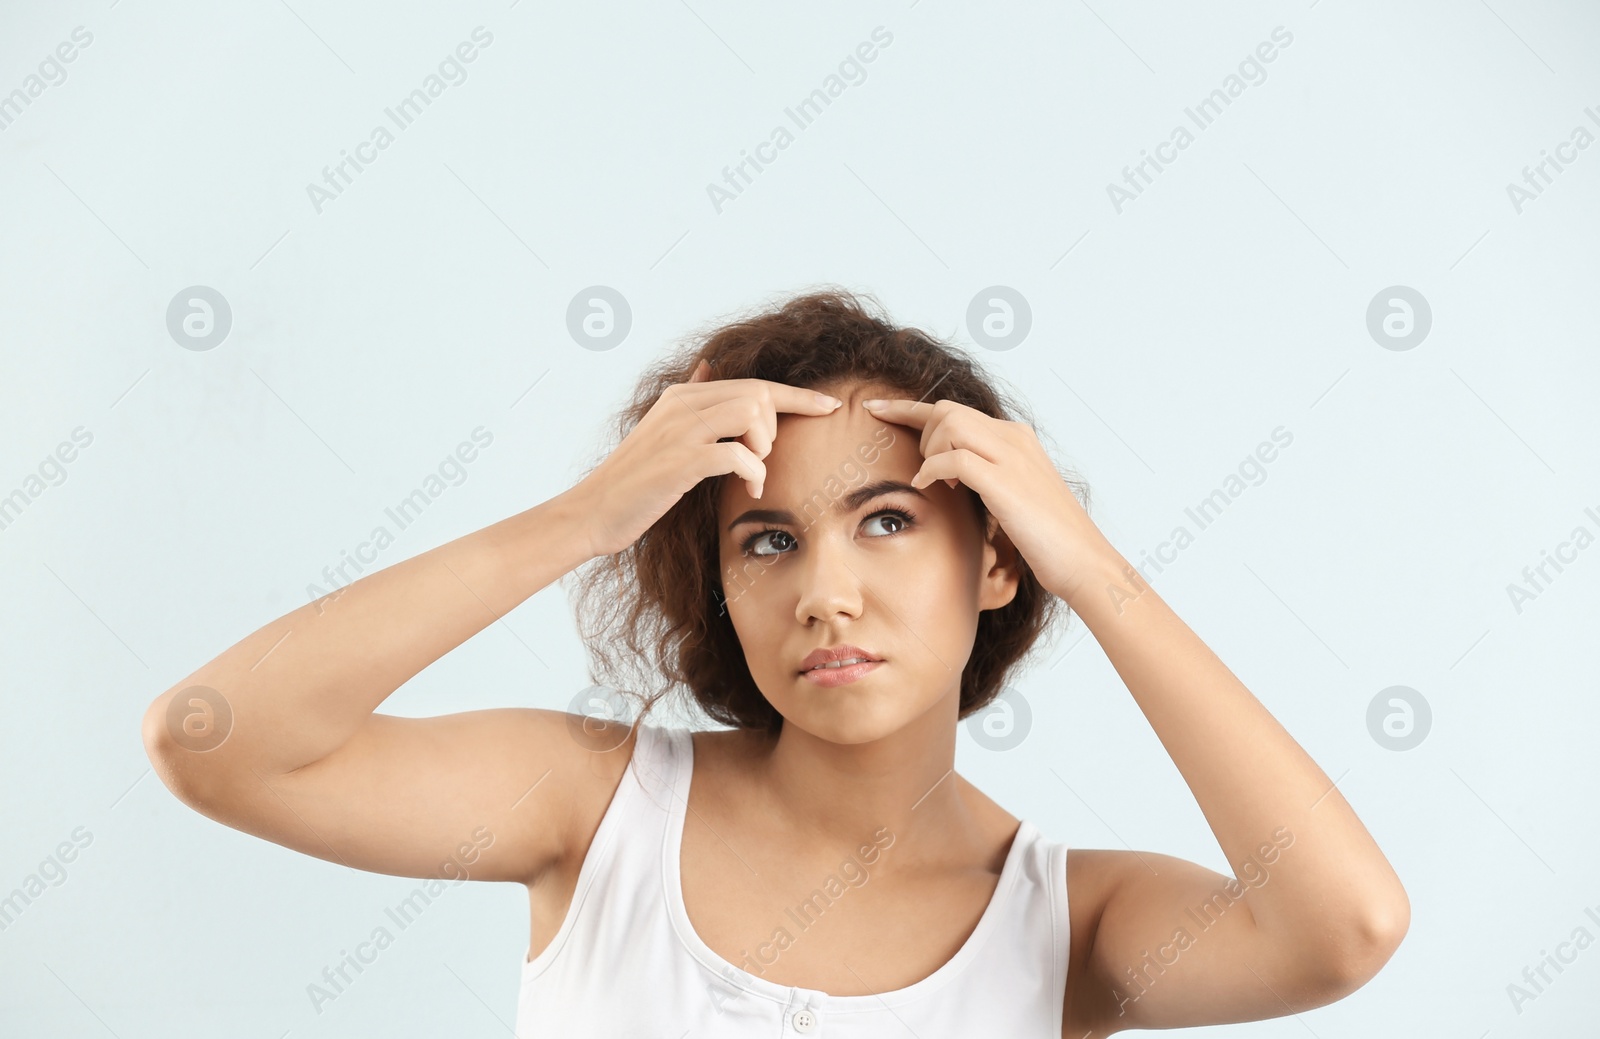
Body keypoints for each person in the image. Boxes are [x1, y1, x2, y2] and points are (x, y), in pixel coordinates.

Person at [142, 288, 1409, 1036]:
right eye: (767, 539)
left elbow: (1345, 926)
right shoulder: (592, 811)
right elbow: (215, 739)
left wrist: (1096, 568)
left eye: (889, 520)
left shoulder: (1070, 922)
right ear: (726, 589)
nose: (826, 592)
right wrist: (586, 517)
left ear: (998, 561)